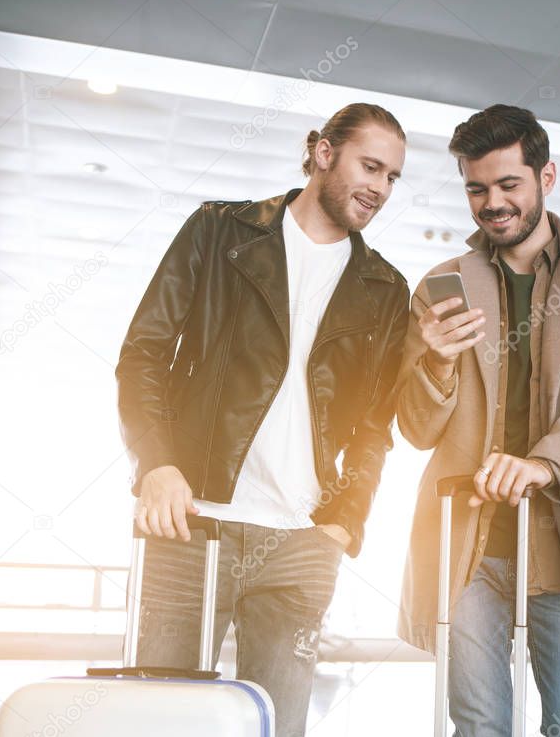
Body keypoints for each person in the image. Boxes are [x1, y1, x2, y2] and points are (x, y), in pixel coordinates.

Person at [115, 103, 410, 737]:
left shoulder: (385, 287)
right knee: (159, 724)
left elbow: (373, 427)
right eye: (370, 166)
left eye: (392, 177)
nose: (380, 188)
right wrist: (155, 463)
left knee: (279, 729)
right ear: (323, 152)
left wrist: (344, 522)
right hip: (191, 528)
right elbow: (143, 355)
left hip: (300, 542)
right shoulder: (219, 231)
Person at [396, 105, 560, 736]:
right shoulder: (440, 285)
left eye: (509, 184)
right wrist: (436, 363)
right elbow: (416, 428)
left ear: (547, 176)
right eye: (477, 189)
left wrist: (541, 464)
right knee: (479, 727)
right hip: (468, 547)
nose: (493, 202)